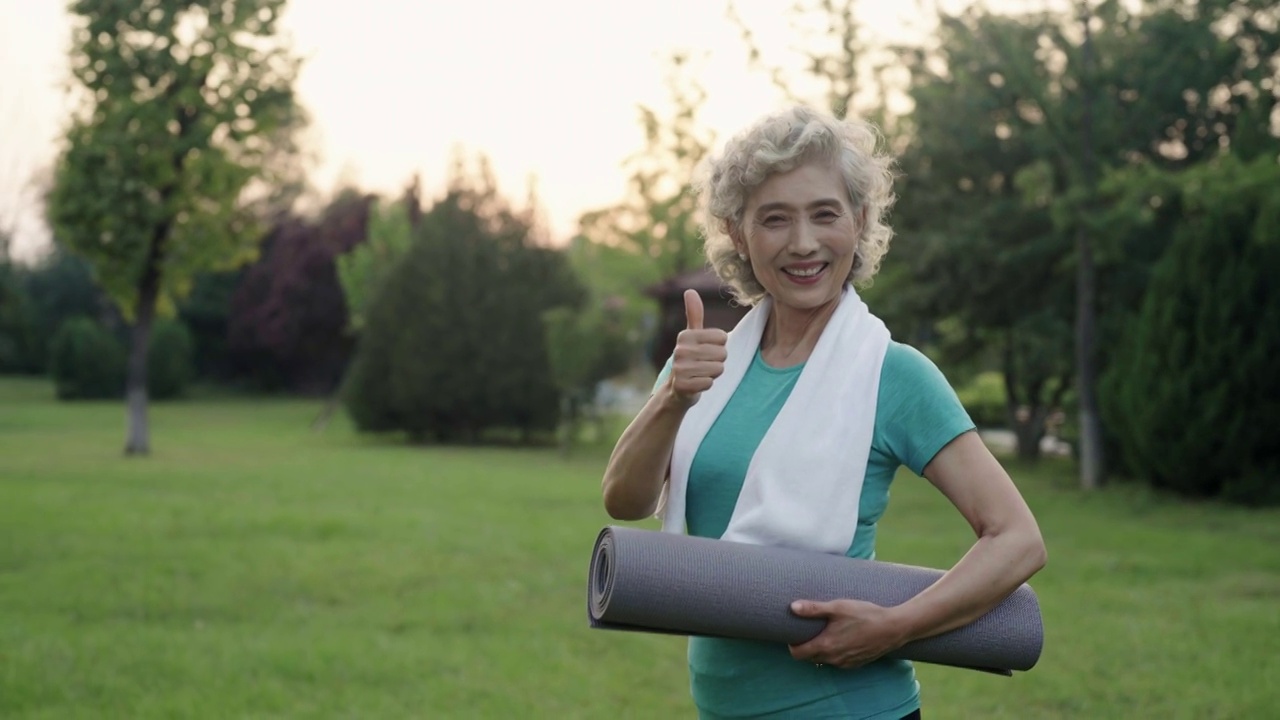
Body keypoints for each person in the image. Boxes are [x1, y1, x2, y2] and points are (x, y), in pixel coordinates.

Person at [600, 104, 1047, 720]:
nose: (803, 243)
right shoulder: (706, 366)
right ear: (737, 232)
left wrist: (895, 626)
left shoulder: (893, 374)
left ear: (859, 221)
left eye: (825, 214)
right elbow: (624, 501)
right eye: (775, 219)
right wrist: (673, 396)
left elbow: (1017, 540)